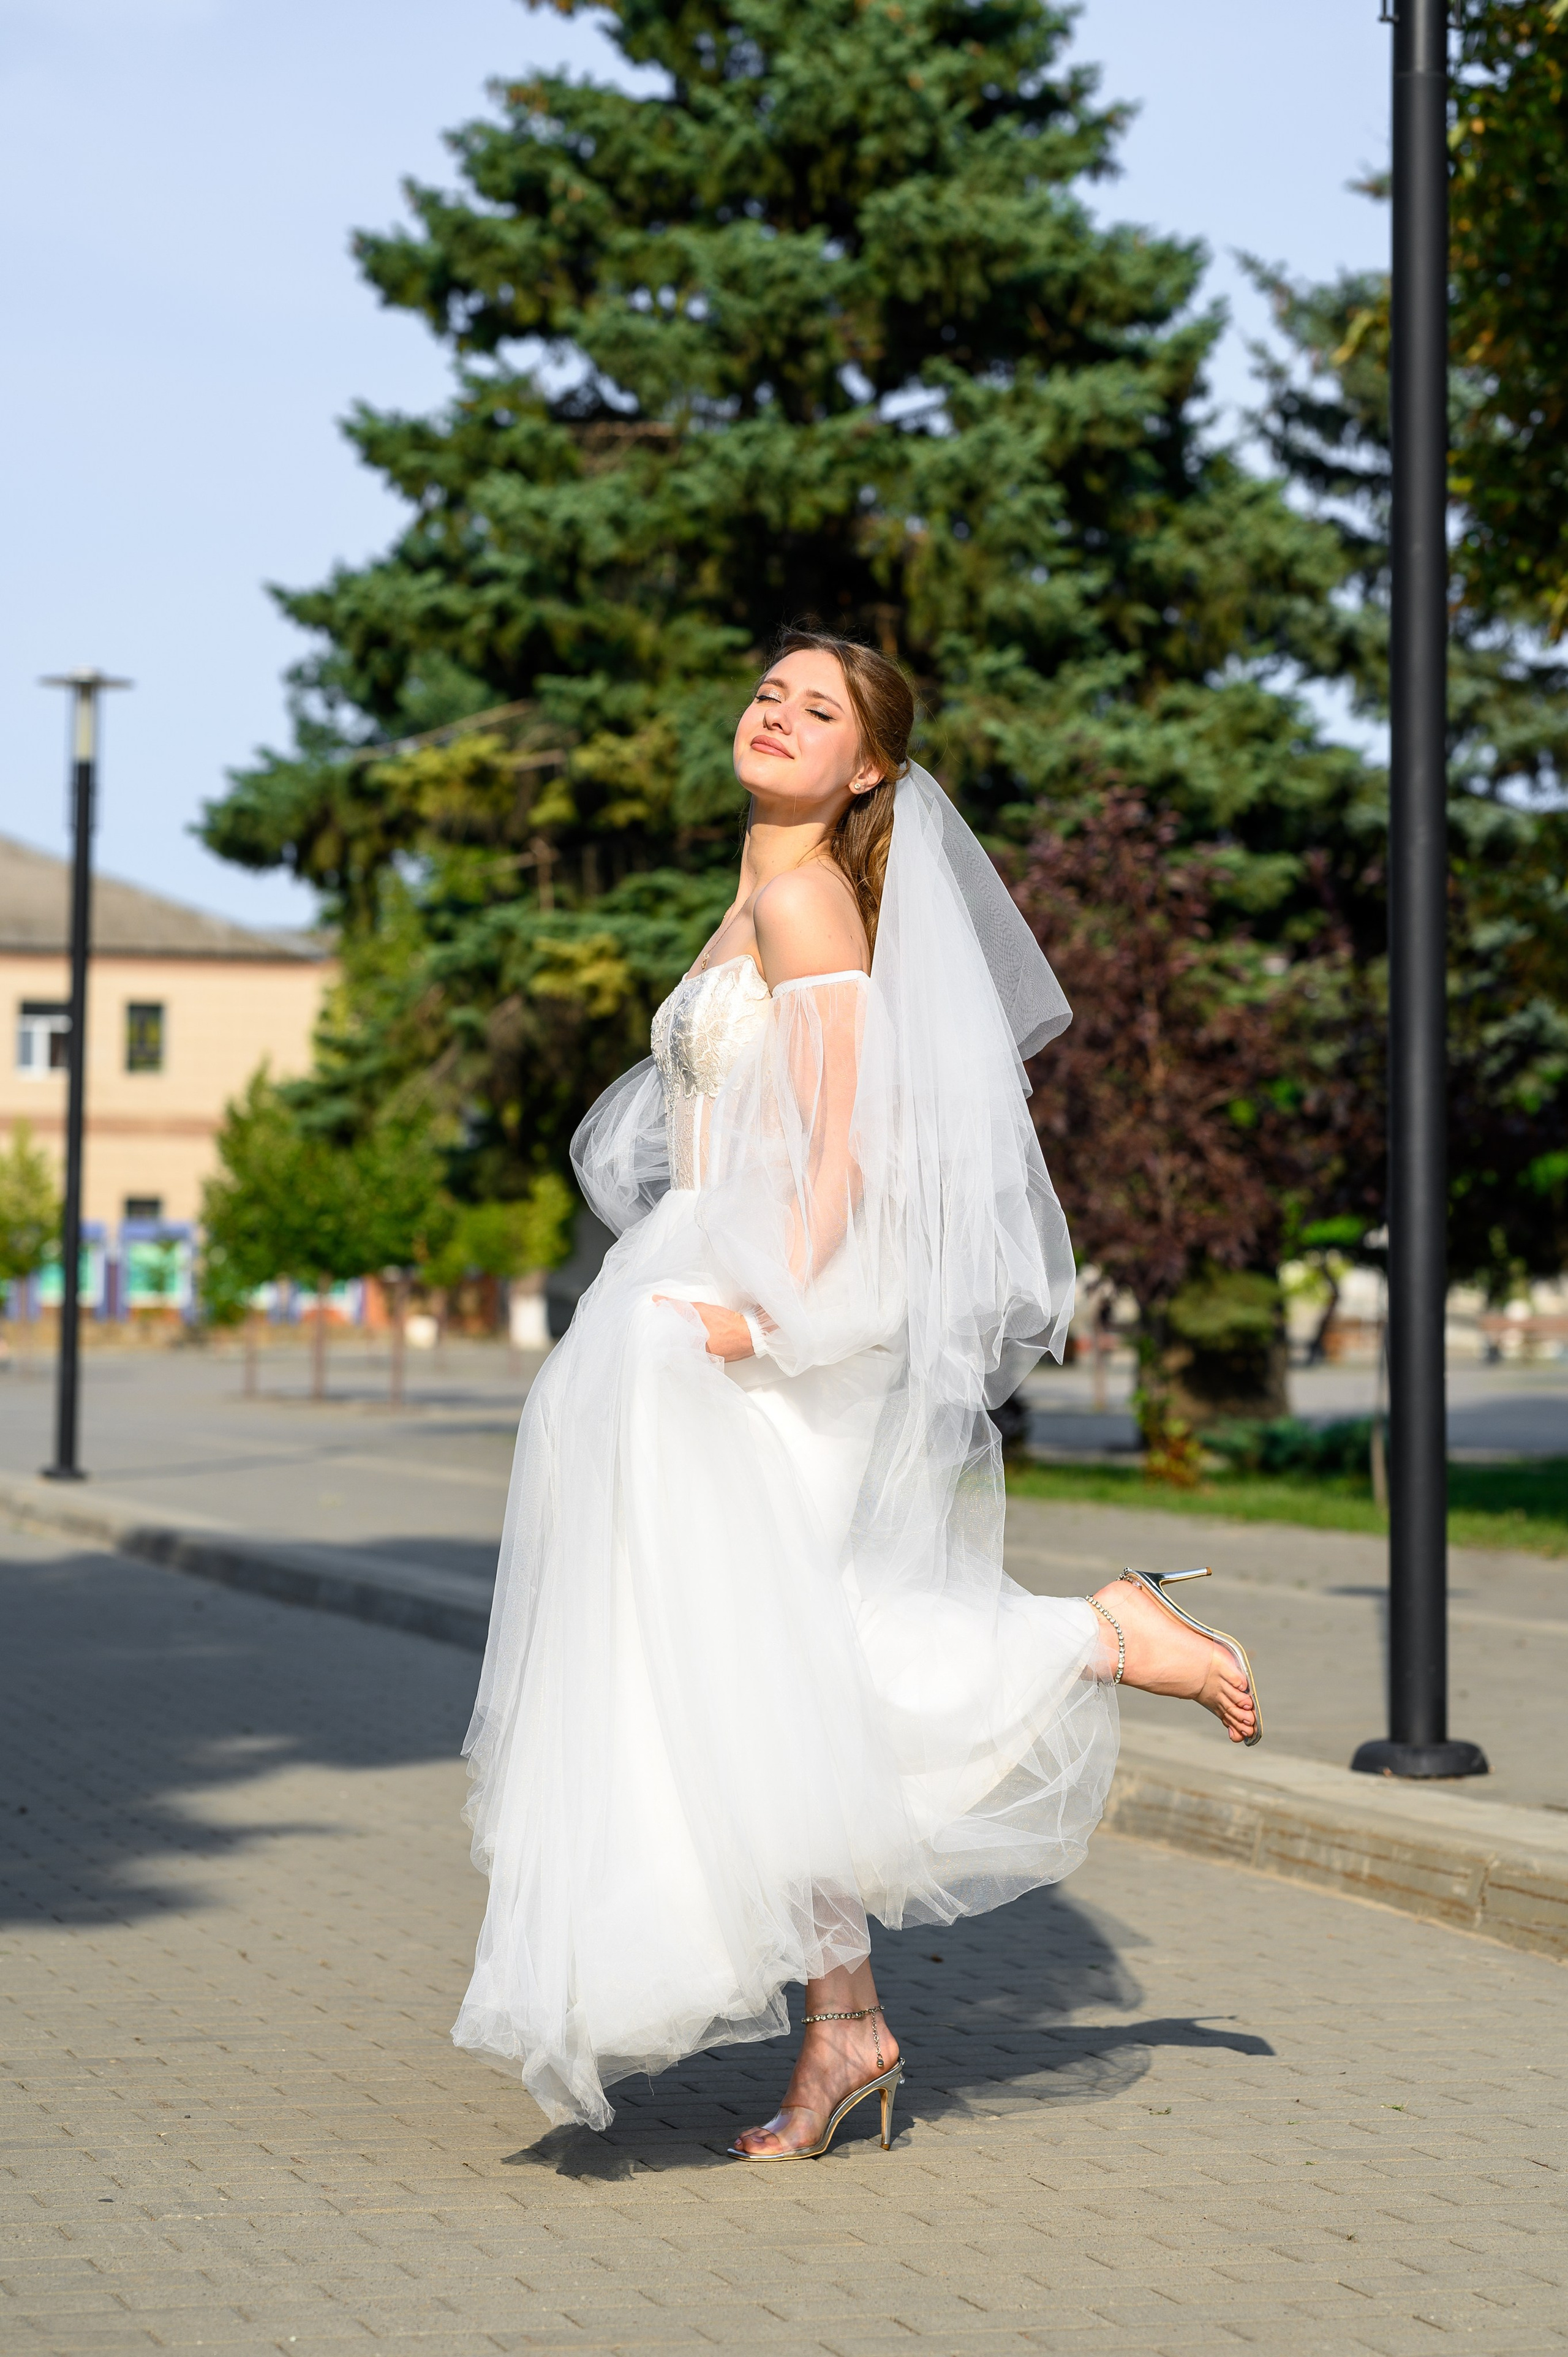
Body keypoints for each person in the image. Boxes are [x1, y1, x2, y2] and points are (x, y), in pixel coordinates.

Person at [453, 628, 1260, 2161]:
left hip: (780, 1318)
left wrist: (774, 1318)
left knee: (804, 1653)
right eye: (766, 692)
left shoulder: (807, 890)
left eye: (814, 710)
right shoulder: (758, 886)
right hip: (719, 1294)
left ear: (867, 765)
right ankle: (847, 2024)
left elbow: (848, 1147)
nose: (775, 715)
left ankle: (1102, 1630)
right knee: (755, 1673)